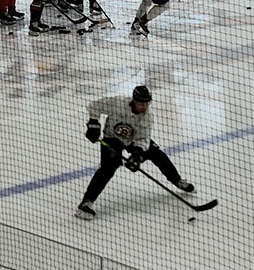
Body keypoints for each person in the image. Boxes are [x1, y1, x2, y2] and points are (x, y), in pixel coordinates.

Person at [77, 85, 194, 220]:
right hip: (112, 138)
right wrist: (93, 124)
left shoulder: (147, 117)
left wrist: (137, 155)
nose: (143, 107)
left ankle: (178, 181)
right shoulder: (117, 103)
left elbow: (143, 139)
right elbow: (94, 106)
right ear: (133, 101)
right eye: (140, 103)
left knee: (157, 154)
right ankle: (86, 202)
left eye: (146, 103)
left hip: (133, 140)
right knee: (108, 167)